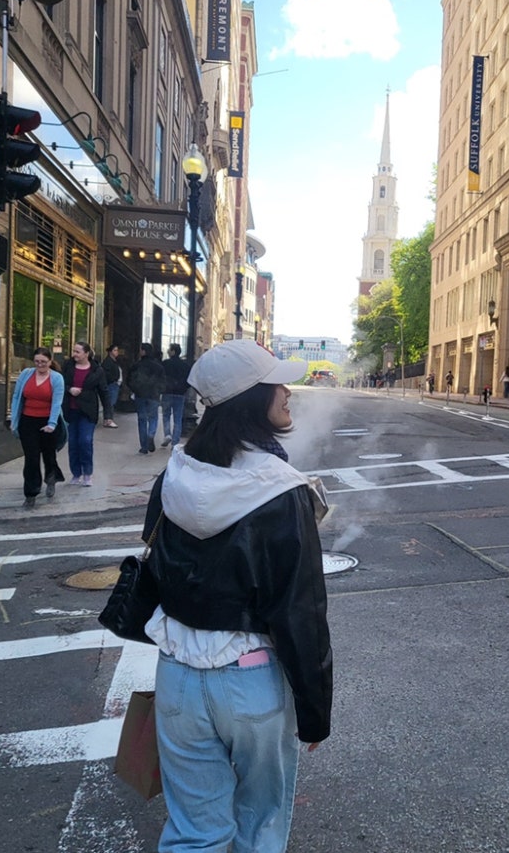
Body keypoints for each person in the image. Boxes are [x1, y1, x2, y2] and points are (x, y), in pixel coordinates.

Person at [144, 339, 332, 853]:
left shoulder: (174, 475)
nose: (288, 392)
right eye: (277, 384)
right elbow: (299, 611)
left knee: (193, 832)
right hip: (251, 680)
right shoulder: (282, 490)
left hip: (177, 675)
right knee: (260, 828)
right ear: (251, 398)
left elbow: (157, 569)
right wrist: (315, 712)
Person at [10, 347, 65, 508]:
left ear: (50, 361)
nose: (40, 365)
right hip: (28, 421)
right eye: (37, 361)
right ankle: (31, 493)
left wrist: (52, 424)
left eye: (43, 362)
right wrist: (14, 419)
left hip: (48, 421)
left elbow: (57, 402)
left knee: (49, 456)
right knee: (31, 458)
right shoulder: (26, 374)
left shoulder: (57, 378)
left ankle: (51, 478)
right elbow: (16, 396)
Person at [61, 341, 112, 486]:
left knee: (85, 441)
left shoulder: (97, 370)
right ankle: (76, 473)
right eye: (74, 351)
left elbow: (104, 391)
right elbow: (60, 382)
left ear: (86, 353)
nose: (74, 354)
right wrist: (69, 389)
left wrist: (108, 415)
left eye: (78, 352)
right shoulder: (68, 366)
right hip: (70, 410)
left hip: (88, 411)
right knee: (73, 443)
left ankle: (87, 473)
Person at [127, 341, 166, 454]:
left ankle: (144, 447)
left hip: (140, 395)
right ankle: (151, 434)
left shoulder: (136, 365)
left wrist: (135, 389)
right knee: (153, 417)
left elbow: (129, 379)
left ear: (143, 351)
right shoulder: (158, 367)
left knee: (142, 419)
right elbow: (163, 381)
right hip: (153, 395)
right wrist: (159, 391)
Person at [161, 343, 191, 447]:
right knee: (178, 418)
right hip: (180, 394)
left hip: (167, 392)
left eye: (169, 349)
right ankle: (175, 442)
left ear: (173, 351)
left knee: (166, 415)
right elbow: (189, 380)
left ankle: (167, 434)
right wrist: (183, 388)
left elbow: (161, 377)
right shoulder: (185, 365)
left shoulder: (165, 364)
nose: (168, 351)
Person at [100, 344, 122, 428]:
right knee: (110, 403)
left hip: (114, 384)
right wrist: (113, 379)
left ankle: (108, 419)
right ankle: (109, 419)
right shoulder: (108, 362)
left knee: (110, 402)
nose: (117, 352)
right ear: (110, 352)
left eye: (117, 350)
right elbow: (106, 374)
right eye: (115, 350)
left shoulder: (114, 361)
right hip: (111, 384)